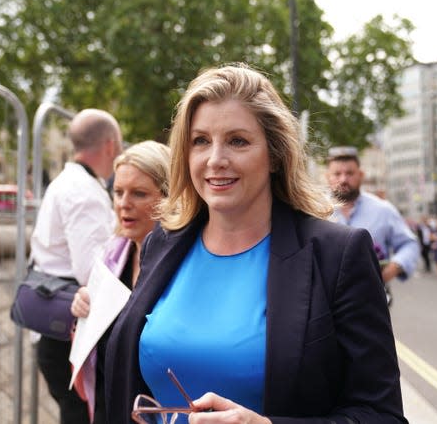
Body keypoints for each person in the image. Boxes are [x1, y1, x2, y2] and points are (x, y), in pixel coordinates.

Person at [102, 64, 406, 423]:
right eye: (200, 141)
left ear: (275, 154)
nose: (216, 160)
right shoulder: (162, 244)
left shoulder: (338, 254)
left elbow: (381, 414)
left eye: (238, 141)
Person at [30, 108, 122, 424]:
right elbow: (92, 271)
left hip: (55, 329)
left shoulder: (65, 183)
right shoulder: (84, 192)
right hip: (68, 336)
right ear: (110, 146)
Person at [69, 140, 171, 423]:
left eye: (139, 193)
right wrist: (83, 305)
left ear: (169, 197)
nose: (124, 204)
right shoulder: (112, 255)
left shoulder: (183, 264)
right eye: (117, 192)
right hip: (108, 405)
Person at [325, 146, 419, 306]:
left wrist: (393, 268)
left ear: (361, 175)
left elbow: (409, 244)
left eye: (349, 173)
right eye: (337, 174)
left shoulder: (383, 209)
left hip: (371, 302)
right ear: (327, 176)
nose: (343, 179)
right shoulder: (313, 209)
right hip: (325, 302)